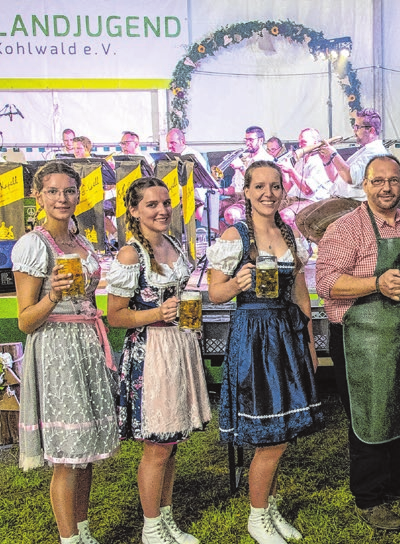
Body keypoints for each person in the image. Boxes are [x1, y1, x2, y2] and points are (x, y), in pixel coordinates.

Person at [315, 155, 400, 532]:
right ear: (365, 185)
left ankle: (396, 482)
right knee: (372, 415)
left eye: (394, 180)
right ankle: (370, 498)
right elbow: (326, 283)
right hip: (363, 338)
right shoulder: (345, 228)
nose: (387, 188)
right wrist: (375, 283)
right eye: (378, 181)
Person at [207, 160, 323, 543]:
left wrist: (307, 338)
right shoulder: (234, 235)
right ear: (246, 191)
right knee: (269, 436)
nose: (268, 193)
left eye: (275, 186)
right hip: (255, 335)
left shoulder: (289, 234)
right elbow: (215, 292)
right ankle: (256, 519)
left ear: (283, 191)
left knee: (283, 429)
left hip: (286, 335)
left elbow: (299, 288)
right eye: (260, 186)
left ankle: (269, 512)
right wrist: (238, 283)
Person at [13, 161, 119, 544]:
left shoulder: (81, 240)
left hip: (86, 346)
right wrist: (54, 295)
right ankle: (68, 540)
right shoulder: (33, 244)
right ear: (38, 196)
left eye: (69, 191)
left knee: (85, 453)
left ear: (78, 195)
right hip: (57, 350)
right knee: (67, 457)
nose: (62, 198)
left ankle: (83, 532)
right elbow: (26, 320)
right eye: (53, 191)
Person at [106, 177, 211, 544]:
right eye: (151, 204)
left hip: (179, 347)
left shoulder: (171, 243)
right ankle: (151, 528)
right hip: (151, 353)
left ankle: (166, 520)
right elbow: (116, 316)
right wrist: (158, 314)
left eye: (166, 203)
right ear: (133, 211)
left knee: (171, 443)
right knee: (157, 446)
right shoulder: (129, 255)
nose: (163, 210)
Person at [318, 108, 388, 201]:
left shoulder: (375, 152)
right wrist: (327, 161)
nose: (354, 131)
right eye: (354, 127)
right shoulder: (365, 151)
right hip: (341, 200)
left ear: (371, 130)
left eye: (357, 127)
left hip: (354, 204)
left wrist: (334, 154)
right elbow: (336, 178)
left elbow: (350, 178)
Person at [279, 128, 334, 234]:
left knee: (285, 216)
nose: (300, 146)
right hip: (297, 200)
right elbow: (291, 189)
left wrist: (291, 171)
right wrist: (285, 173)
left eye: (303, 142)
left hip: (315, 202)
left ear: (315, 143)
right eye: (299, 142)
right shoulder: (301, 162)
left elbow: (308, 190)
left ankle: (303, 247)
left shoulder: (319, 161)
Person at [225, 126, 275, 196]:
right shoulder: (244, 159)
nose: (247, 143)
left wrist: (241, 168)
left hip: (254, 201)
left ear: (260, 141)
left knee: (231, 207)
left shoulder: (268, 161)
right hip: (238, 198)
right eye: (246, 140)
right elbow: (234, 187)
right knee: (215, 204)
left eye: (251, 140)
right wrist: (222, 191)